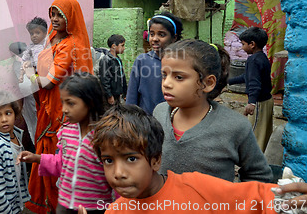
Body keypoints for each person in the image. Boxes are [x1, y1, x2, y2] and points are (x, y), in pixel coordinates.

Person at [90, 104, 280, 214]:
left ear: (156, 160)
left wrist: (289, 199)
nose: (118, 173)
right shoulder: (115, 211)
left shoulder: (198, 188)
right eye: (108, 160)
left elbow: (259, 196)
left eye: (131, 159)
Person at [153, 39, 272, 182]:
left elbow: (259, 176)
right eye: (164, 75)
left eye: (179, 77)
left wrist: (231, 201)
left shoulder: (234, 126)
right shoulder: (159, 113)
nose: (166, 83)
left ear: (208, 83)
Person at [23, 0, 94, 214]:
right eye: (52, 14)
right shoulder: (53, 38)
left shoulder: (70, 44)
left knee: (59, 153)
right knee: (47, 148)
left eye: (59, 15)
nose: (54, 19)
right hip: (47, 104)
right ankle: (47, 202)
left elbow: (48, 81)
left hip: (60, 107)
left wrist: (29, 73)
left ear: (70, 17)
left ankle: (58, 204)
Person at [18, 72, 114, 214]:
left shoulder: (105, 136)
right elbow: (63, 162)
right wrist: (36, 158)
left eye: (71, 103)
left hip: (95, 206)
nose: (64, 109)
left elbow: (116, 175)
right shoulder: (65, 131)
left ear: (90, 102)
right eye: (63, 102)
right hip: (65, 203)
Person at [125, 12, 183, 114]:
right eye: (152, 34)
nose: (155, 39)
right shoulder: (142, 61)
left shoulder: (182, 62)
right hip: (146, 123)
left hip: (173, 120)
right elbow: (132, 97)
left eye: (161, 34)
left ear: (174, 37)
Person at [228, 27, 274, 152]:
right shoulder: (262, 57)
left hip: (259, 102)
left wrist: (252, 102)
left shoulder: (253, 60)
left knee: (254, 135)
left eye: (243, 44)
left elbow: (254, 83)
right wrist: (229, 81)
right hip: (266, 100)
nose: (242, 47)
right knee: (263, 134)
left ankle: (253, 165)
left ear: (252, 44)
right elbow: (248, 77)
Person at [98, 35, 127, 105]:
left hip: (118, 94)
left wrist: (125, 92)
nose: (124, 48)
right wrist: (109, 95)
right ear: (114, 46)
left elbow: (122, 77)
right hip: (111, 95)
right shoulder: (106, 60)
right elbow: (104, 79)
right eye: (122, 45)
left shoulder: (118, 59)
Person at [19, 16, 47, 82]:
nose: (34, 35)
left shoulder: (47, 45)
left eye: (37, 33)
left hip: (47, 74)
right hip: (36, 75)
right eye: (31, 34)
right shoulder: (30, 47)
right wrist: (21, 75)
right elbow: (24, 60)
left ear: (45, 34)